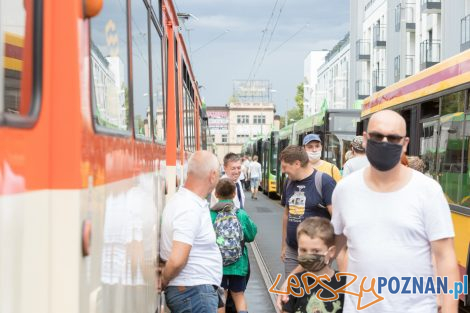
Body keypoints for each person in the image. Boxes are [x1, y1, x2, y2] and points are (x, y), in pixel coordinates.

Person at [332, 110, 460, 313]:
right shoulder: (344, 190)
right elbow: (338, 247)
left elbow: (446, 258)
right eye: (377, 136)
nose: (384, 142)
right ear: (365, 139)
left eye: (393, 138)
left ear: (405, 144)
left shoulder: (428, 191)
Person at [160, 151, 223, 313]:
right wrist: (164, 280)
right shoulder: (189, 207)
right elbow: (177, 259)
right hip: (194, 292)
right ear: (213, 175)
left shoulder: (185, 201)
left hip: (193, 292)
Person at [279, 145, 336, 278]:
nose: (283, 171)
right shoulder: (288, 182)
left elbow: (337, 219)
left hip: (316, 252)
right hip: (293, 249)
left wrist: (330, 251)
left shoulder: (324, 182)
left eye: (285, 166)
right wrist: (284, 246)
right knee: (292, 291)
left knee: (315, 292)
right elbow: (287, 215)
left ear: (297, 164)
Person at [210, 178, 258, 313]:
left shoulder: (210, 214)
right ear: (234, 194)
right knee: (239, 296)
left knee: (221, 297)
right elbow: (251, 235)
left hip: (218, 265)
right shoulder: (240, 214)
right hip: (239, 264)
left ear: (216, 194)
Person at [282, 217, 346, 313]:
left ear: (331, 251)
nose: (308, 255)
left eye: (316, 251)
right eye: (303, 250)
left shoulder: (343, 283)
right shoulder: (294, 282)